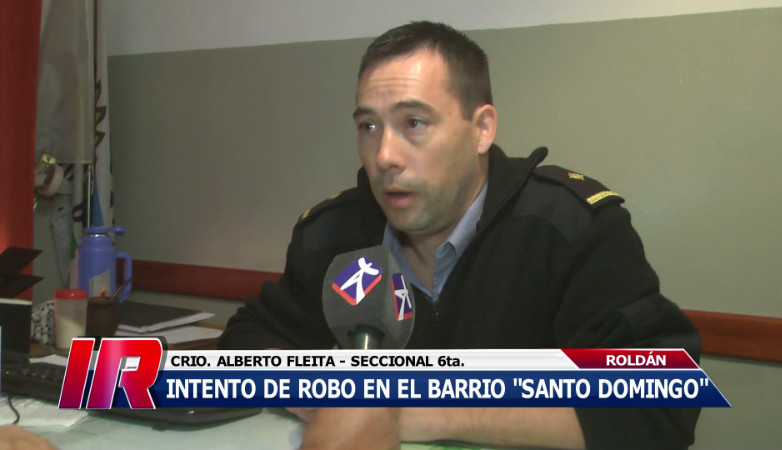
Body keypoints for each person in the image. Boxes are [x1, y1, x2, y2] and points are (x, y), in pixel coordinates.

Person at [220, 21, 701, 449]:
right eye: (368, 126)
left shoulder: (568, 227)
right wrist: (327, 394)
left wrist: (421, 409)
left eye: (413, 122)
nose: (384, 155)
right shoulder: (332, 235)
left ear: (482, 129)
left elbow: (662, 398)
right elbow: (246, 345)